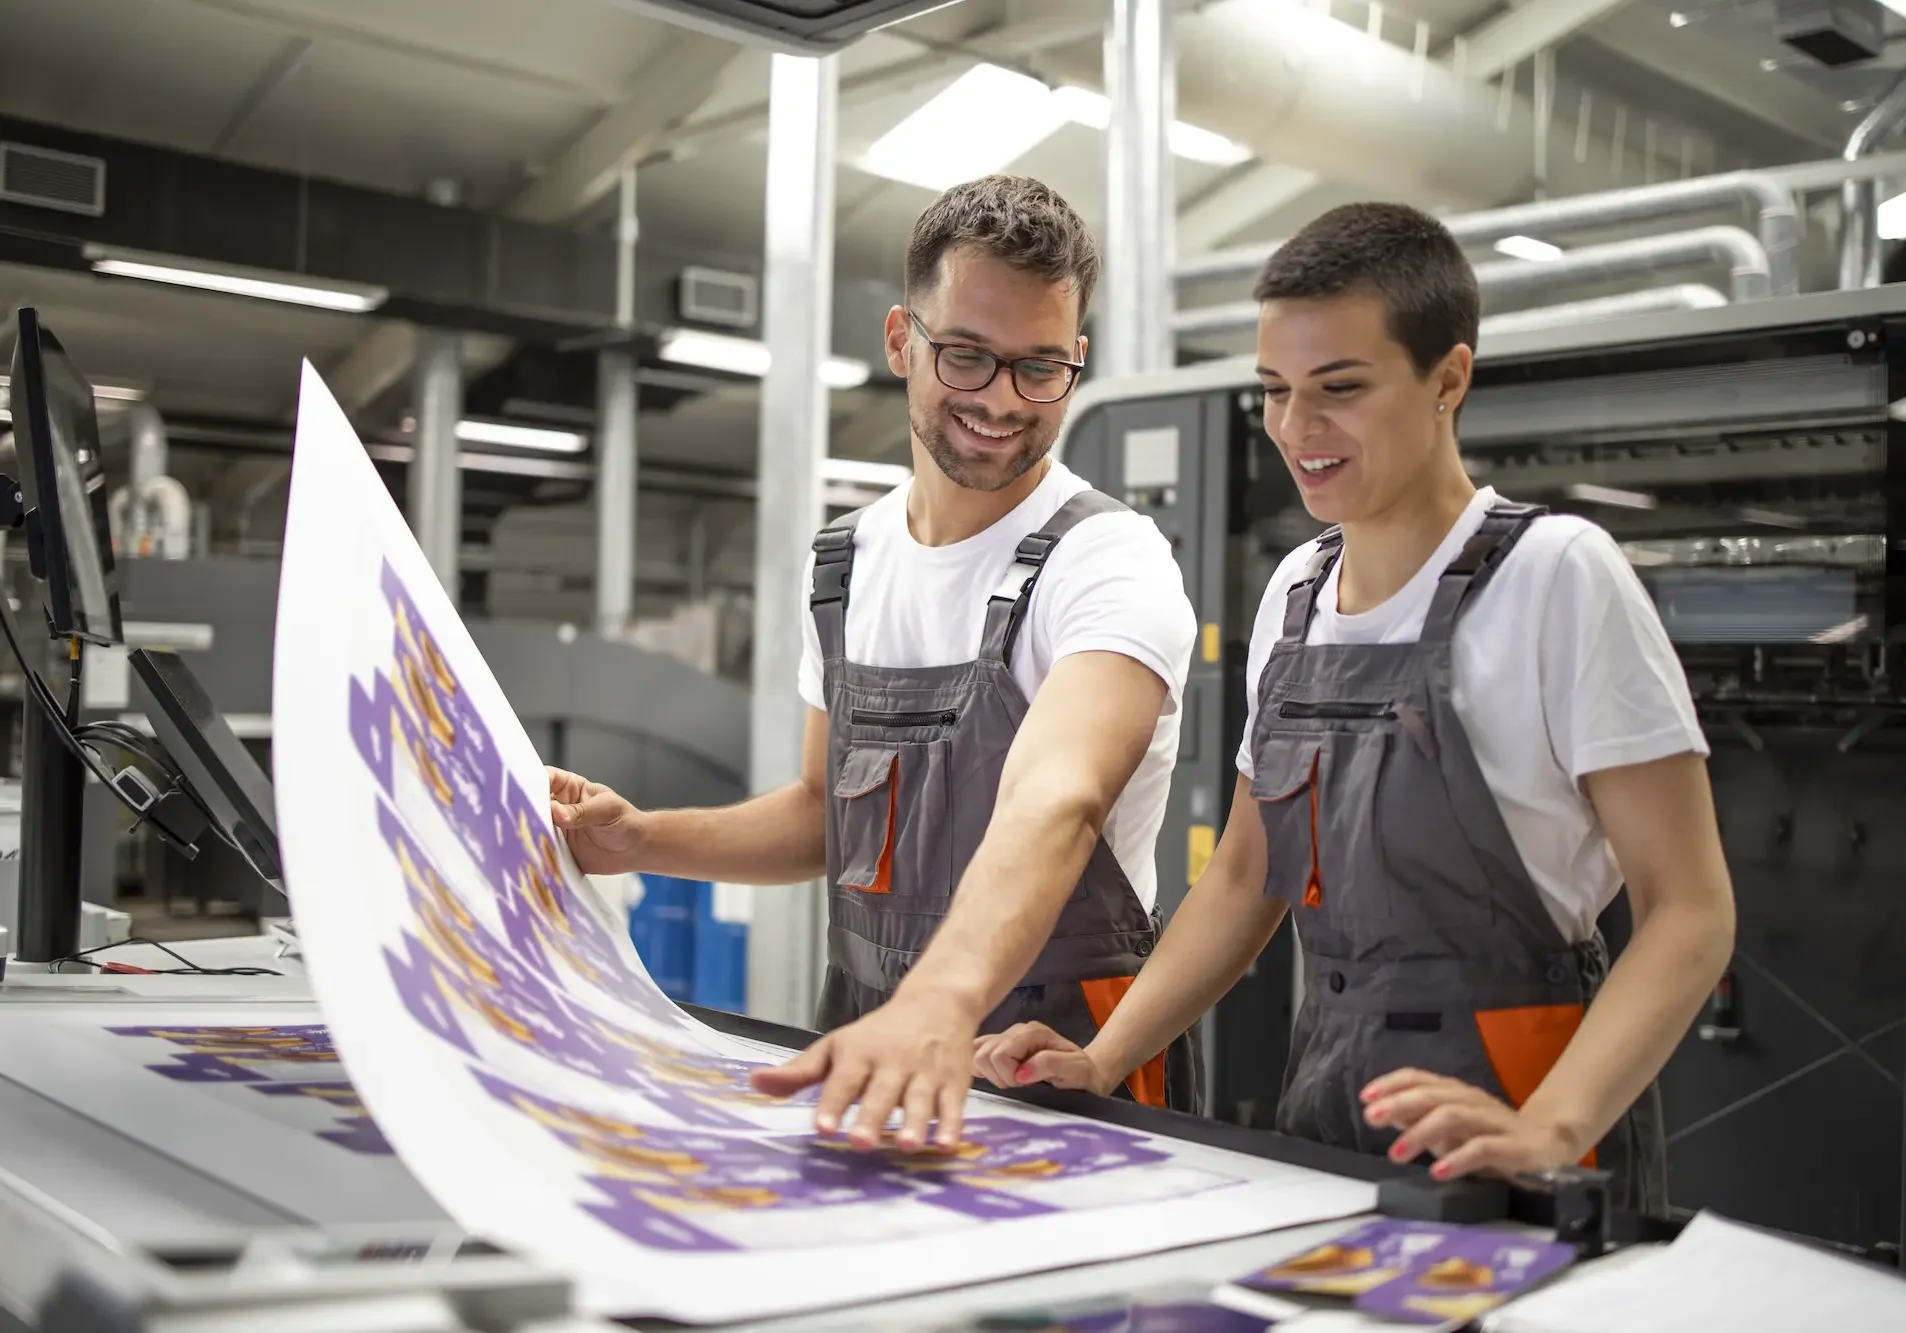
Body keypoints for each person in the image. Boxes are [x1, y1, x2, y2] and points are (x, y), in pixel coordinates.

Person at [972, 202, 1736, 1213]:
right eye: (1275, 392)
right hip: (1327, 1096)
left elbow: (1689, 908)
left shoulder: (1557, 575)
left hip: (1516, 1108)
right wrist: (1103, 1058)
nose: (1296, 429)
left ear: (1447, 380)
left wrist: (1550, 1127)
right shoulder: (1296, 591)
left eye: (1339, 390)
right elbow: (1246, 875)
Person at [548, 174, 1200, 1151]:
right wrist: (643, 838)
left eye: (1039, 368)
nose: (998, 400)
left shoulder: (1108, 560)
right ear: (901, 339)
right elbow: (824, 811)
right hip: (871, 1031)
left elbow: (1055, 800)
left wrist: (938, 1002)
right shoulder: (843, 567)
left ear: (1076, 360)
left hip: (1056, 1052)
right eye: (966, 357)